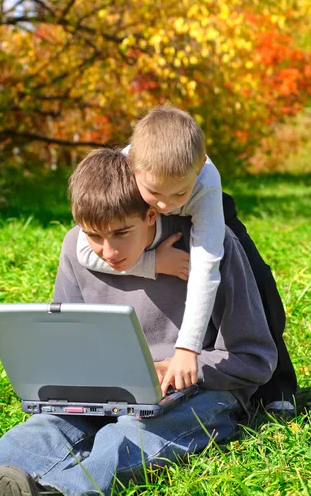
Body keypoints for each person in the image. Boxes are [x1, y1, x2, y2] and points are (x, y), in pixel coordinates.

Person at [0, 148, 278, 496]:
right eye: (93, 235)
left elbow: (255, 357)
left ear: (151, 213)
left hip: (201, 391)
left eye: (121, 233)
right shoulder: (77, 247)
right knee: (48, 425)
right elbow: (68, 337)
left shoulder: (208, 250)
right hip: (107, 390)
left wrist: (185, 368)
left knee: (137, 432)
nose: (107, 251)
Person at [76, 106, 297, 410]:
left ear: (201, 166)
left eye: (178, 193)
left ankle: (277, 388)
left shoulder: (205, 184)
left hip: (210, 215)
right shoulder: (125, 168)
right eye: (155, 192)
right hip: (144, 215)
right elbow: (83, 250)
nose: (166, 205)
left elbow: (206, 269)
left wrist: (187, 347)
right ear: (134, 166)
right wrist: (153, 264)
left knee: (258, 282)